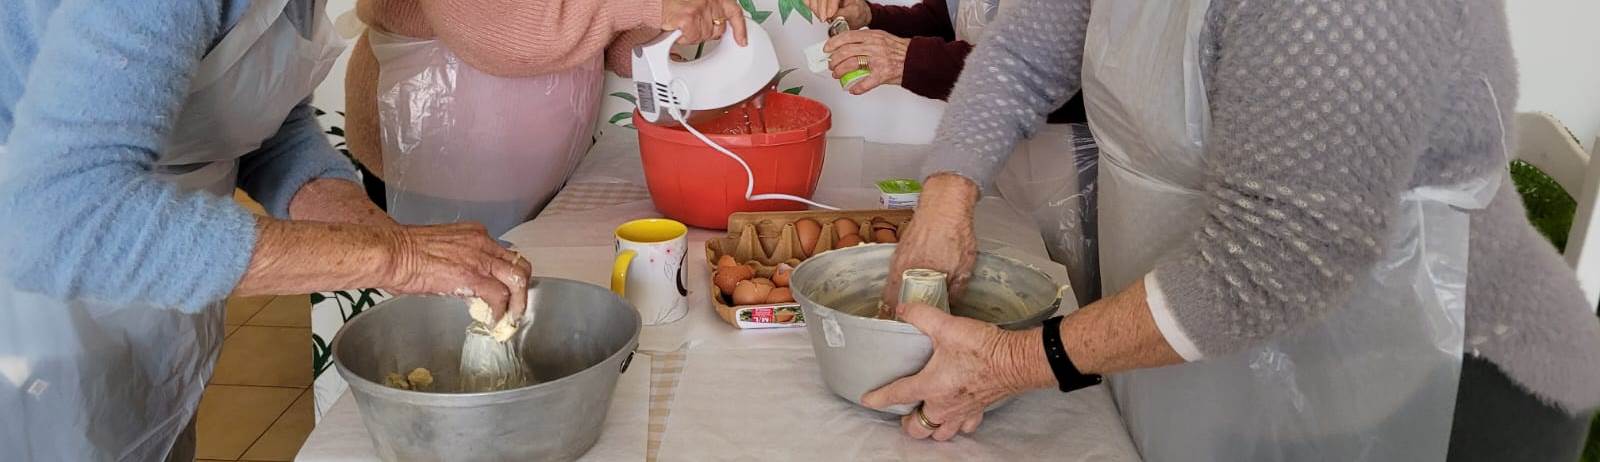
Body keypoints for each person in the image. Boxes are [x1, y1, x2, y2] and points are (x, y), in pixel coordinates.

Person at [872, 0, 1600, 460]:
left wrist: (1012, 361)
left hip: (1412, 364)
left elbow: (1277, 257)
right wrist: (946, 199)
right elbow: (1022, 55)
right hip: (1206, 338)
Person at [0, 1, 533, 460]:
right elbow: (63, 222)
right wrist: (392, 257)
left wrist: (369, 227)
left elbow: (252, 122)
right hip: (34, 319)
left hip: (148, 308)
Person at [343, 0, 747, 236]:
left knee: (519, 309)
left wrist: (658, 39)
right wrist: (648, 5)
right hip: (433, 156)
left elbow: (596, 25)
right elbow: (496, 32)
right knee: (450, 321)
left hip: (538, 171)